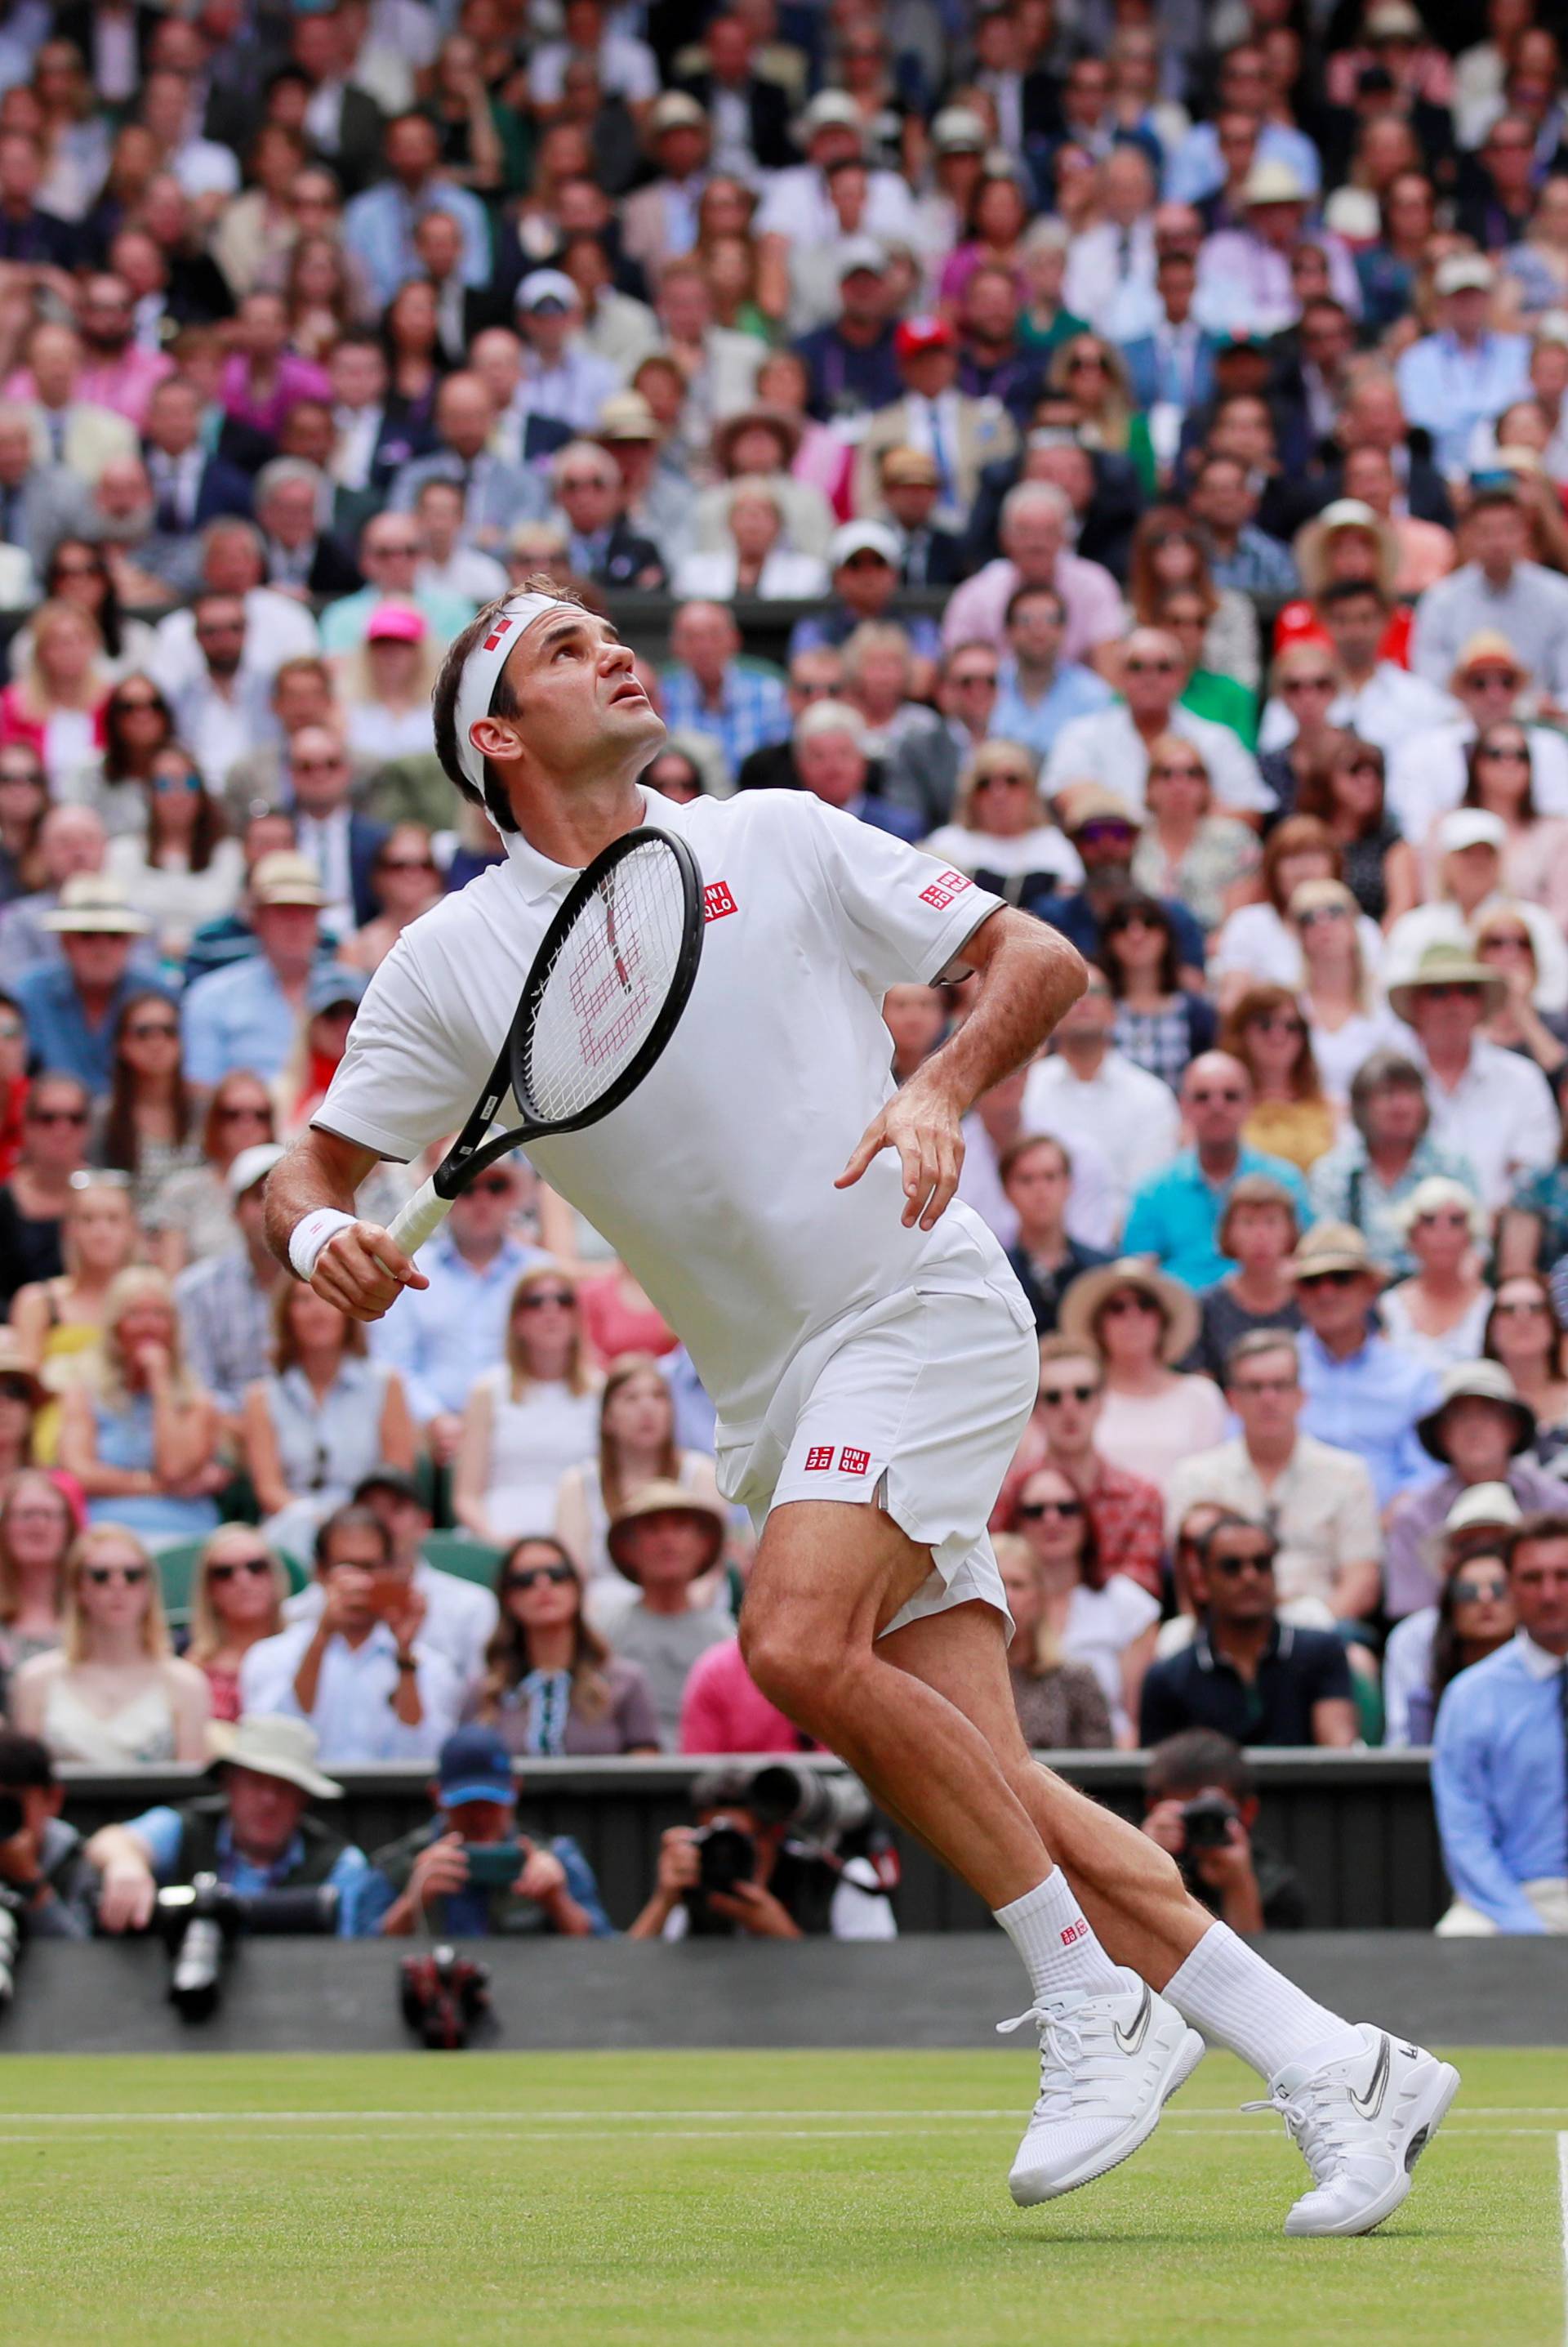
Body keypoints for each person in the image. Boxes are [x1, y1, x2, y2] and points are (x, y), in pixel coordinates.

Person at [268, 580, 1451, 2229]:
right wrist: (324, 1227)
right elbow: (306, 1162)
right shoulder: (452, 961)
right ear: (496, 738)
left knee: (797, 1640)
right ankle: (1344, 2066)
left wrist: (938, 1079)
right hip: (777, 1398)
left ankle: (1097, 2003)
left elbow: (1035, 954)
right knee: (997, 1780)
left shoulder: (780, 833)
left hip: (923, 1309)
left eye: (609, 627)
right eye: (562, 647)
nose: (615, 647)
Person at [86, 1710, 372, 1935]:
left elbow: (345, 1955)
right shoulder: (186, 1828)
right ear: (229, 1784)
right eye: (256, 1784)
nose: (268, 1801)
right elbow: (111, 1840)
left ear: (303, 1799)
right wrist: (126, 1865)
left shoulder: (340, 1864)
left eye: (284, 1788)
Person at [1167, 1333, 1383, 1625]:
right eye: (1254, 1387)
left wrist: (1305, 1639)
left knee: (1357, 1661)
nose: (1268, 1399)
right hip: (1223, 1631)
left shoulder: (1347, 1473)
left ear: (1301, 1396)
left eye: (1280, 1385)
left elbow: (1362, 1582)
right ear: (1232, 1400)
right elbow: (1189, 1584)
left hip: (1321, 1628)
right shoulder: (1194, 1478)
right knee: (1172, 1643)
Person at [1431, 1510, 1568, 1934]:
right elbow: (1465, 1834)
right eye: (1532, 1578)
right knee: (1460, 1938)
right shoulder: (1471, 1696)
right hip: (1513, 1897)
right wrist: (1524, 1927)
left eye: (1564, 1576)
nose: (1549, 1594)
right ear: (1510, 1588)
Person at [239, 1502, 461, 1765]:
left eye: (369, 1567)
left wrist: (404, 1656)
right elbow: (275, 1748)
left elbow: (425, 1756)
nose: (360, 1582)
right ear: (319, 1572)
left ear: (391, 1571)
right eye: (347, 1567)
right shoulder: (271, 1656)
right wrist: (323, 1635)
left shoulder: (428, 1664)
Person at [365, 1154, 550, 1466]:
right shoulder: (408, 1267)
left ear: (513, 1196)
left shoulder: (543, 1273)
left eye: (495, 1186)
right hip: (430, 1439)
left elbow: (557, 1364)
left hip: (525, 1430)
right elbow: (394, 1365)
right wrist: (434, 1418)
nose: (481, 1199)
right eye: (466, 1186)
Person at [362, 1721, 611, 1938]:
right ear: (437, 1796)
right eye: (467, 1805)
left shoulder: (556, 1859)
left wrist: (557, 1901)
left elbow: (606, 1956)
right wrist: (411, 1904)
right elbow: (355, 1959)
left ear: (515, 1789)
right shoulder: (399, 1866)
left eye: (491, 1804)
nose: (480, 1818)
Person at [1138, 1513, 1358, 1751]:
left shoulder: (1322, 1651)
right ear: (1201, 1582)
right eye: (1231, 1567)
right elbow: (1161, 1776)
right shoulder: (1167, 1678)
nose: (1250, 1576)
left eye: (1261, 1564)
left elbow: (1338, 1750)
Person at [630, 1757, 897, 1942]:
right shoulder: (696, 1885)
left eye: (741, 1839)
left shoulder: (842, 1882)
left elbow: (876, 1990)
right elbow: (623, 1984)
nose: (726, 1853)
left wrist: (781, 1935)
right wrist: (663, 1902)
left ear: (775, 1834)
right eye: (716, 1839)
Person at [241, 1279, 415, 1558]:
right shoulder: (260, 1396)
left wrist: (352, 1523)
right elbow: (269, 1490)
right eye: (303, 1301)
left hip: (371, 1525)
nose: (317, 1312)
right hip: (294, 1526)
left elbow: (396, 1476)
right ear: (286, 1315)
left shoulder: (386, 1384)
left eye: (327, 1299)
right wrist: (319, 1520)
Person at [9, 1522, 209, 1763]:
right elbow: (26, 1789)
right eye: (101, 1576)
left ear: (149, 1588)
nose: (118, 1585)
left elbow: (189, 1789)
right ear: (79, 1588)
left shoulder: (187, 1684)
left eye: (132, 1575)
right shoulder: (34, 1681)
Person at [1383, 1360, 1564, 1621]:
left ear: (1513, 1427)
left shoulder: (1557, 1505)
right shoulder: (1413, 1517)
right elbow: (1413, 1616)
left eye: (1488, 1413)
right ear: (1442, 1433)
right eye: (1459, 1416)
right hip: (1448, 1649)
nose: (1474, 1427)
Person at [57, 1266, 225, 1546]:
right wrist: (159, 1486)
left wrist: (160, 1385)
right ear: (115, 1326)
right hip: (107, 1533)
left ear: (174, 1327)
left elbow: (173, 1467)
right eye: (135, 1314)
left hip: (185, 1531)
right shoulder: (83, 1391)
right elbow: (79, 1473)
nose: (148, 1325)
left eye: (159, 1314)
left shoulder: (197, 1399)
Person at [1386, 942, 1558, 1213]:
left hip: (1502, 1236)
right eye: (1439, 992)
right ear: (1416, 1005)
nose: (1454, 1004)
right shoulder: (1386, 1080)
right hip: (1400, 1238)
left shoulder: (1522, 1080)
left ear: (1481, 1004)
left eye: (1467, 991)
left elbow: (1534, 1180)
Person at [1122, 1053, 1312, 1292]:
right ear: (1183, 1106)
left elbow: (1305, 1260)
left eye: (1230, 1096)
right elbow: (1138, 1274)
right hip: (1182, 1318)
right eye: (1203, 1097)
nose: (1217, 1106)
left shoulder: (1284, 1181)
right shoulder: (1153, 1191)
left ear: (1250, 1104)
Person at [459, 1535, 659, 1756]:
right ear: (508, 1598)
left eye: (557, 1574)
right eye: (525, 1579)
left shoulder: (626, 1682)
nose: (543, 1585)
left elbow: (646, 1772)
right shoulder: (485, 1692)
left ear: (577, 1587)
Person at [1290, 1220, 1441, 1509]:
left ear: (1370, 1289)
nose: (1326, 1292)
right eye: (1312, 1282)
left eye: (1341, 1278)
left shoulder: (1412, 1376)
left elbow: (1427, 1471)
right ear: (1298, 1295)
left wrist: (1395, 1518)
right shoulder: (1273, 1374)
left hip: (1389, 1535)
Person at [1022, 971, 1182, 1241]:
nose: (1083, 1001)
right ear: (1052, 1014)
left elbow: (1148, 1192)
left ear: (1113, 1013)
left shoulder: (1152, 1096)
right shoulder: (1027, 1089)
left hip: (1126, 1251)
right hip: (1039, 1248)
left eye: (1095, 993)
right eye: (1072, 994)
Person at [1010, 1464, 1158, 1747]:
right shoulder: (994, 1602)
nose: (1052, 1520)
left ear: (1086, 1519)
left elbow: (1139, 1722)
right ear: (1017, 1523)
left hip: (1107, 1765)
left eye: (1066, 1508)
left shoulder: (1128, 1604)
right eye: (1035, 1511)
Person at [452, 1265, 603, 1544]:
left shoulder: (602, 1390)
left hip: (583, 1539)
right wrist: (497, 1541)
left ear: (577, 1318)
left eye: (564, 1300)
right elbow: (466, 1497)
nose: (551, 1310)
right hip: (499, 1538)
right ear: (516, 1321)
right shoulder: (487, 1391)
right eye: (535, 1302)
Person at [1057, 1259, 1227, 1495]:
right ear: (1099, 1325)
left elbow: (1217, 1481)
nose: (1133, 1316)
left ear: (1162, 1320)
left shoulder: (1201, 1395)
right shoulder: (1076, 1396)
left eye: (1145, 1305)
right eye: (1117, 1308)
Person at [554, 1352, 723, 1589]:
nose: (647, 1409)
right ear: (607, 1418)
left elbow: (711, 1573)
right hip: (605, 1616)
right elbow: (574, 1576)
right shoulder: (578, 1483)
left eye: (658, 1396)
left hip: (687, 1613)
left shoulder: (702, 1473)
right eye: (631, 1398)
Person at [1310, 1051, 1480, 1278]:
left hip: (1434, 1291)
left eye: (1410, 1093)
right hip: (1356, 1296)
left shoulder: (1452, 1168)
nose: (1401, 1106)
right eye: (1388, 1094)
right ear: (1361, 1106)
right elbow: (1324, 1251)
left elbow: (1478, 1247)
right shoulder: (1332, 1173)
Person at [1383, 1484, 1521, 1748]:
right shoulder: (1413, 1638)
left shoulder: (1549, 1633)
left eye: (1497, 1545)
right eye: (1469, 1546)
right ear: (1447, 1563)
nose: (1485, 1598)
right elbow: (1402, 1743)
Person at [1140, 1730, 1309, 1935]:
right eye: (1189, 1813)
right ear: (1154, 1807)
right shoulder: (1137, 1863)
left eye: (1211, 1812)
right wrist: (1143, 1859)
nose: (1202, 1825)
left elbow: (1258, 1964)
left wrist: (1238, 1886)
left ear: (1247, 1811)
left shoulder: (1276, 1887)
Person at [9, 1169, 139, 1417]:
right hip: (54, 1430)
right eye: (88, 1220)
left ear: (132, 1229)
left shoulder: (148, 1301)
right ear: (68, 1230)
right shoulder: (38, 1301)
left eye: (113, 1219)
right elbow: (25, 1390)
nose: (101, 1232)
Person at [144, 1070, 276, 1274]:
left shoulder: (288, 1189)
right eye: (233, 1114)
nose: (247, 1124)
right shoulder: (183, 1190)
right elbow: (171, 1278)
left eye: (260, 1115)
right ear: (214, 1121)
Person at [919, 741, 1081, 902]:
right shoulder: (947, 843)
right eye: (985, 783)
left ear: (1031, 791)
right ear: (970, 794)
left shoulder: (1053, 844)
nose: (999, 793)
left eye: (1011, 781)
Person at [996, 1531, 1114, 1751]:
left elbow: (1102, 1770)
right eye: (997, 1584)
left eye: (1018, 1585)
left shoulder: (1076, 1680)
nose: (1007, 1597)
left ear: (1040, 1595)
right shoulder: (961, 1680)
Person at [91, 988, 202, 1215]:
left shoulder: (203, 1110)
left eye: (168, 1031)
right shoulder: (103, 1117)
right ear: (121, 1044)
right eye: (143, 1033)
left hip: (196, 1238)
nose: (157, 1042)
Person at [1099, 893, 1217, 1093]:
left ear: (1166, 936)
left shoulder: (1196, 1013)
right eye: (1122, 925)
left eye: (1149, 923)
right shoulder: (1094, 1006)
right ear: (1109, 940)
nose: (1136, 934)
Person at [1193, 1176, 1303, 1385]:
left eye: (1271, 1222)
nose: (1260, 1235)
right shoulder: (1207, 1307)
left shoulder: (1311, 1296)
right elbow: (1202, 1384)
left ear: (1290, 1231)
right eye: (1248, 1223)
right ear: (1228, 1233)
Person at [1218, 987, 1338, 1174]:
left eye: (1292, 1026)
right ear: (1241, 1032)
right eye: (1265, 1024)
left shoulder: (1329, 1108)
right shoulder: (1217, 1102)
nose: (1279, 1035)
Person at [999, 1136, 1110, 1335]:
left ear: (1069, 1184)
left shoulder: (1104, 1271)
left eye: (1050, 1177)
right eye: (1026, 1179)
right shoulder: (994, 1275)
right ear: (1006, 1190)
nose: (1040, 1190)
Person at [1379, 1180, 1493, 1371]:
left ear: (1471, 1235)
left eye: (1455, 1221)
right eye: (1429, 1220)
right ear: (1411, 1236)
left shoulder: (1492, 1305)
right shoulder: (1386, 1307)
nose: (1443, 1232)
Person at [0, 1072, 89, 1310]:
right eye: (48, 1118)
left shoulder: (107, 1196)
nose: (62, 1129)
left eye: (75, 1118)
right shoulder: (3, 1203)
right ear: (27, 1126)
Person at [0, 1729, 96, 1939]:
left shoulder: (74, 1861)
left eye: (7, 1805)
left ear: (53, 1799)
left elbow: (82, 1954)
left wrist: (31, 1884)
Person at [0, 1466, 70, 1698]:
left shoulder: (93, 1605)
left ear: (69, 1529)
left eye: (50, 1515)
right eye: (27, 1514)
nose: (39, 1525)